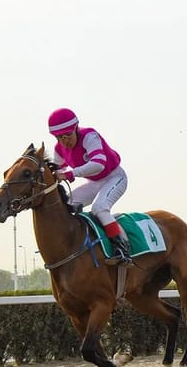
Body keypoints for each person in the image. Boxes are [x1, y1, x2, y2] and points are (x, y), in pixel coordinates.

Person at [47, 108, 132, 263]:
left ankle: (122, 248)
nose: (65, 140)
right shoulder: (59, 149)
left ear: (76, 128)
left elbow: (98, 165)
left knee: (99, 208)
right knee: (66, 204)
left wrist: (69, 174)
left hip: (115, 177)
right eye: (60, 137)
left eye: (68, 135)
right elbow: (57, 169)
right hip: (94, 183)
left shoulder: (89, 136)